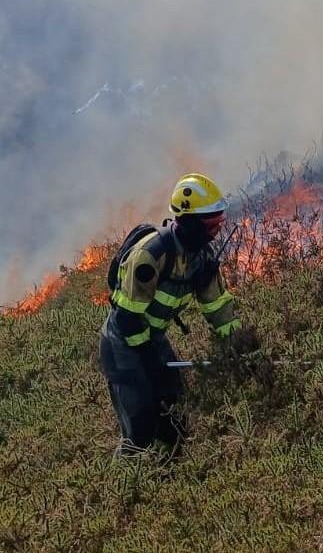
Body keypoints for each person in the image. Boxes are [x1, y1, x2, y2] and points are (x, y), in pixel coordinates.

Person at [99, 173, 243, 453]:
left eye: (219, 220)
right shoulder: (150, 255)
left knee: (174, 416)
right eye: (211, 222)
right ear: (189, 221)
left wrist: (239, 348)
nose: (217, 229)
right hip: (122, 345)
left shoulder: (201, 258)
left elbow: (218, 308)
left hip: (153, 340)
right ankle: (121, 488)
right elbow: (126, 318)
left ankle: (169, 482)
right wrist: (148, 357)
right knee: (139, 428)